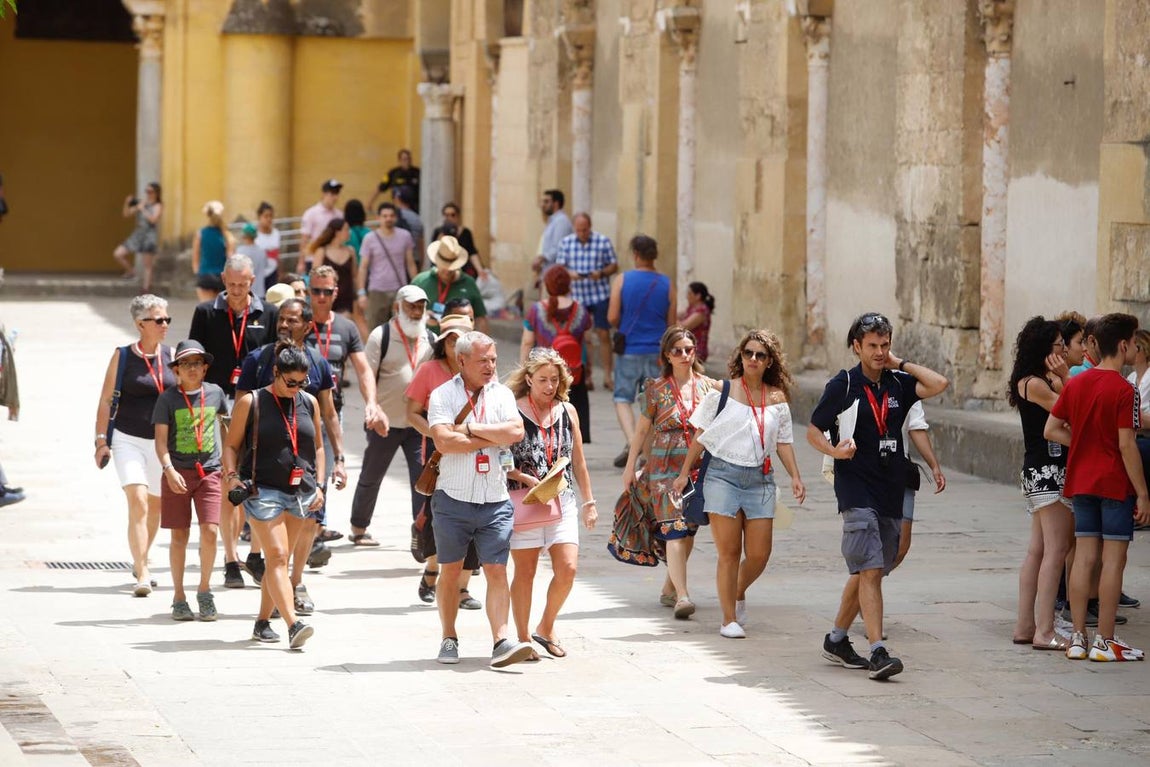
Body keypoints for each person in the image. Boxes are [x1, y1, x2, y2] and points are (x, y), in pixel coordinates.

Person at [807, 312, 948, 681]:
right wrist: (835, 452)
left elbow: (939, 384)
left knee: (873, 568)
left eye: (885, 345)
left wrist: (899, 362)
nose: (879, 352)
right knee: (870, 569)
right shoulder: (844, 384)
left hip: (890, 488)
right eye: (872, 346)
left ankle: (836, 638)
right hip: (855, 488)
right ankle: (877, 651)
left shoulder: (898, 383)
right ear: (856, 346)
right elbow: (813, 430)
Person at [673, 330, 806, 638]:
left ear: (769, 360)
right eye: (749, 353)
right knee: (729, 552)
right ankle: (728, 619)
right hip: (722, 476)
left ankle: (737, 590)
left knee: (760, 554)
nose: (754, 359)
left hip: (760, 478)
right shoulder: (722, 390)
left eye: (760, 355)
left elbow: (783, 442)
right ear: (741, 356)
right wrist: (683, 473)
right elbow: (700, 435)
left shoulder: (777, 398)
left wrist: (796, 476)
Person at [1045, 313, 1150, 662]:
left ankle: (1078, 636)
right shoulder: (1126, 390)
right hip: (1114, 483)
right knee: (1113, 562)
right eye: (1134, 341)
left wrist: (1081, 445)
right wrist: (1144, 492)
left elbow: (1051, 428)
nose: (1136, 347)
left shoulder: (1076, 383)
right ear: (1123, 345)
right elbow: (1126, 445)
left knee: (1084, 558)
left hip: (1081, 480)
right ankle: (1106, 640)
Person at [427, 331, 533, 667]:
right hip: (452, 497)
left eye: (493, 359)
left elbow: (515, 433)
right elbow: (443, 442)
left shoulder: (502, 394)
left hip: (495, 499)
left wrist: (470, 430)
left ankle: (501, 640)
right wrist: (490, 434)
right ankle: (448, 636)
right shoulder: (442, 395)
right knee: (451, 571)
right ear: (461, 361)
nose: (490, 366)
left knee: (497, 571)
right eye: (482, 360)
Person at [236, 298, 347, 613]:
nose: (284, 325)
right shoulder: (257, 360)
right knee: (276, 538)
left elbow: (328, 413)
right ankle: (273, 587)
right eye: (281, 319)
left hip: (307, 458)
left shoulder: (318, 362)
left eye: (292, 320)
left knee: (310, 522)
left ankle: (296, 583)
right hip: (266, 462)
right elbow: (240, 416)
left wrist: (339, 457)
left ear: (309, 326)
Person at [222, 342, 323, 649]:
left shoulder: (309, 402)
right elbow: (230, 445)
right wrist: (231, 477)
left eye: (301, 382)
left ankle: (262, 622)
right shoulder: (251, 402)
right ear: (275, 373)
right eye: (289, 382)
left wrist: (319, 484)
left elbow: (317, 446)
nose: (295, 388)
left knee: (279, 559)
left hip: (299, 489)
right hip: (261, 489)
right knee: (277, 556)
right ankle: (294, 624)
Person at [608, 327, 714, 619]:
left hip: (695, 468)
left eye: (689, 349)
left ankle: (670, 587)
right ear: (667, 355)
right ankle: (682, 596)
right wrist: (631, 467)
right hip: (663, 469)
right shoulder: (655, 388)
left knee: (689, 528)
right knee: (674, 530)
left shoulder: (709, 387)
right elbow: (642, 430)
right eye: (678, 350)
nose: (684, 355)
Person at [188, 255, 279, 588]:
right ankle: (229, 559)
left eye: (243, 285)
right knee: (228, 481)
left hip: (257, 404)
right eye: (231, 284)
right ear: (223, 280)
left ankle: (254, 553)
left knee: (256, 480)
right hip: (218, 402)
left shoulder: (268, 313)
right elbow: (195, 358)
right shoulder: (206, 312)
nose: (237, 291)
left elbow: (274, 359)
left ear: (252, 281)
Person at [506, 347, 597, 659]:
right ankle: (522, 638)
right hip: (525, 500)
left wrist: (590, 502)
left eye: (554, 379)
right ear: (529, 379)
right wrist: (523, 476)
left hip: (563, 500)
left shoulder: (567, 411)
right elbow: (501, 460)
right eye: (542, 379)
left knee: (568, 568)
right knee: (526, 572)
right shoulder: (512, 410)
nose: (549, 386)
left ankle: (545, 626)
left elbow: (579, 462)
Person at [94, 295, 177, 596]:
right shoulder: (123, 356)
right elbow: (106, 400)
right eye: (159, 320)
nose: (165, 324)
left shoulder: (172, 355)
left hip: (161, 443)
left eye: (167, 319)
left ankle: (142, 555)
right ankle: (142, 571)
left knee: (155, 506)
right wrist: (101, 441)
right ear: (141, 324)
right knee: (138, 501)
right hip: (128, 438)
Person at [304, 265, 385, 548]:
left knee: (322, 472)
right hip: (299, 410)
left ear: (336, 292)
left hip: (331, 411)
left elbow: (363, 370)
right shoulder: (299, 322)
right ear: (308, 290)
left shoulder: (346, 327)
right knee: (308, 471)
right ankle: (311, 530)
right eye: (316, 291)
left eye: (327, 291)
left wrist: (371, 403)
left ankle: (316, 530)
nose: (322, 297)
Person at [405, 314, 482, 609]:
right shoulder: (429, 370)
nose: (457, 344)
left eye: (462, 338)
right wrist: (437, 435)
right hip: (439, 459)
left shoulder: (484, 369)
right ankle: (432, 570)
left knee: (477, 518)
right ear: (444, 343)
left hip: (476, 455)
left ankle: (463, 588)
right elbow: (411, 412)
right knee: (441, 519)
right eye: (452, 339)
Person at [1006, 317, 1073, 650]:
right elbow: (1070, 411)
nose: (1062, 350)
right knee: (1056, 549)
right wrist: (1065, 378)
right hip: (1047, 471)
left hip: (1041, 471)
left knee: (1039, 549)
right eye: (1059, 344)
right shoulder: (1034, 383)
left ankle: (1025, 624)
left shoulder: (1034, 381)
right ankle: (1044, 630)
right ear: (1045, 349)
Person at [351, 285, 434, 545]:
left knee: (421, 481)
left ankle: (420, 533)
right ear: (398, 306)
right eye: (411, 306)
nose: (416, 311)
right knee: (371, 476)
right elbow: (367, 375)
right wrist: (372, 408)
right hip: (384, 422)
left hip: (417, 423)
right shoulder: (381, 336)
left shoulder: (431, 338)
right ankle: (359, 527)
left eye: (420, 306)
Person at [152, 340, 228, 622]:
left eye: (197, 363)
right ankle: (179, 595)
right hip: (177, 473)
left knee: (210, 531)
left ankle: (205, 590)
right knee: (179, 535)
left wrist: (231, 469)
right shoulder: (168, 399)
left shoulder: (216, 394)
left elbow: (227, 428)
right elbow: (160, 443)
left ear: (205, 368)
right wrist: (169, 470)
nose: (192, 368)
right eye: (186, 364)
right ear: (177, 371)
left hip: (209, 472)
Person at [607, 234, 675, 468]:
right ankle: (647, 452)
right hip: (657, 351)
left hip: (630, 350)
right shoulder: (666, 283)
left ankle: (632, 442)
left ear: (635, 254)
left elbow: (612, 316)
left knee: (622, 398)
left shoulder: (622, 280)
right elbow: (672, 323)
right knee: (654, 403)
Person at [520, 265, 593, 444]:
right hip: (574, 374)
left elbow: (527, 342)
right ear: (569, 285)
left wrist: (524, 370)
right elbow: (588, 342)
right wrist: (588, 368)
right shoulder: (581, 311)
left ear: (547, 285)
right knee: (574, 424)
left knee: (545, 420)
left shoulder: (536, 310)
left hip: (544, 375)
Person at [556, 213, 618, 389]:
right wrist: (570, 275)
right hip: (577, 296)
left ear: (590, 227)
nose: (582, 233)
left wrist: (602, 273)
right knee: (583, 337)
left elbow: (613, 265)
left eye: (585, 230)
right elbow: (560, 268)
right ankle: (587, 375)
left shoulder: (602, 241)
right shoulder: (566, 243)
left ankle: (607, 375)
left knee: (604, 334)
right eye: (578, 230)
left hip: (599, 294)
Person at [357, 202, 417, 331]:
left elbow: (410, 263)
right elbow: (363, 267)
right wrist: (361, 292)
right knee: (376, 332)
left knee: (401, 330)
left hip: (400, 290)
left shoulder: (405, 236)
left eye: (391, 215)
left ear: (395, 217)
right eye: (384, 216)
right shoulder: (369, 238)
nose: (388, 219)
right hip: (377, 291)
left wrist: (415, 287)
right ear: (378, 218)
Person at [412, 236, 489, 333]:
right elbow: (405, 314)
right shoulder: (420, 281)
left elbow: (480, 318)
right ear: (436, 261)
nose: (448, 271)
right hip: (424, 343)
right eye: (444, 265)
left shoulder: (469, 283)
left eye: (452, 266)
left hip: (458, 344)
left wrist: (484, 344)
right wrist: (422, 317)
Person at [113, 182, 162, 292]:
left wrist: (143, 209)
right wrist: (127, 203)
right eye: (147, 191)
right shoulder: (142, 203)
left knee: (147, 265)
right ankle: (131, 272)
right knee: (118, 254)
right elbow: (126, 214)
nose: (148, 194)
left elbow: (153, 220)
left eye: (150, 191)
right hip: (138, 233)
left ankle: (146, 289)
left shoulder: (158, 205)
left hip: (149, 235)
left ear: (156, 193)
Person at [308, 218, 357, 316]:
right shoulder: (322, 251)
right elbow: (314, 277)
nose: (349, 232)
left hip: (346, 298)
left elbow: (355, 275)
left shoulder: (350, 251)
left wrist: (359, 294)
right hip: (326, 296)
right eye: (346, 229)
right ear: (337, 232)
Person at [298, 179, 343, 273]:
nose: (335, 197)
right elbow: (304, 239)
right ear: (324, 194)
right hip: (314, 259)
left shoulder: (339, 215)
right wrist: (301, 262)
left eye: (337, 193)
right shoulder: (311, 213)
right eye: (332, 193)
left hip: (333, 259)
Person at [532, 189, 573, 289]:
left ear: (556, 203)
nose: (543, 205)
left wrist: (541, 258)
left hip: (555, 277)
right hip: (548, 273)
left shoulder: (561, 221)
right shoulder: (552, 221)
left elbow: (559, 248)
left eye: (546, 201)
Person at [431, 202, 485, 278]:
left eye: (452, 215)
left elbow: (472, 252)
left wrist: (480, 270)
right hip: (443, 271)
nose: (449, 218)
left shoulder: (465, 232)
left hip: (462, 271)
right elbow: (434, 251)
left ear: (457, 216)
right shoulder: (438, 231)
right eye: (446, 215)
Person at [192, 200, 235, 278]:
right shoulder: (227, 235)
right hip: (222, 277)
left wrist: (198, 274)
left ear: (207, 215)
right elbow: (230, 258)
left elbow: (195, 257)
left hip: (205, 276)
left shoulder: (200, 233)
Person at [678, 282, 714, 363]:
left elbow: (684, 327)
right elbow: (679, 315)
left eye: (689, 293)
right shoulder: (691, 308)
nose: (687, 296)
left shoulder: (701, 311)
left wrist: (671, 317)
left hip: (696, 351)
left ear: (698, 296)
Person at [235, 223, 268, 299]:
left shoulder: (240, 251)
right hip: (260, 292)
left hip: (244, 293)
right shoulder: (262, 251)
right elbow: (266, 266)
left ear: (244, 235)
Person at [254, 202, 282, 283]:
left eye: (271, 216)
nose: (269, 219)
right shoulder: (255, 235)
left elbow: (277, 255)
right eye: (266, 216)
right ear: (259, 217)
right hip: (258, 274)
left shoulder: (276, 233)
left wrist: (280, 273)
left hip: (273, 273)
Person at [393, 186, 424, 257]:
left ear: (397, 198)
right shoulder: (417, 218)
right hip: (415, 257)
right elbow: (421, 244)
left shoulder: (393, 216)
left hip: (399, 259)